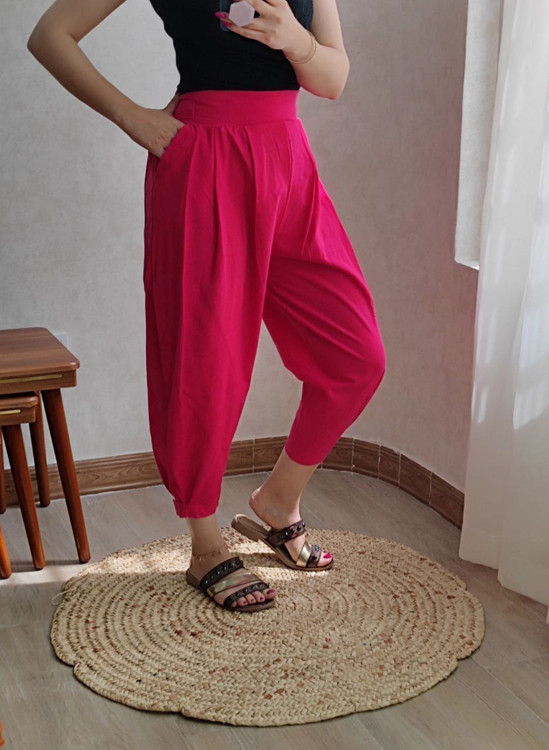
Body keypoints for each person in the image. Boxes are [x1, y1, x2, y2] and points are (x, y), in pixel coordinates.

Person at [27, 0, 386, 613]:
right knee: (203, 362)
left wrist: (293, 38)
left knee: (356, 356)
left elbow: (332, 79)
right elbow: (50, 35)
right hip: (204, 162)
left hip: (288, 163)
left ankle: (279, 501)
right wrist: (134, 119)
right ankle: (204, 544)